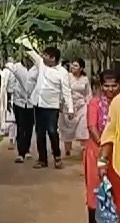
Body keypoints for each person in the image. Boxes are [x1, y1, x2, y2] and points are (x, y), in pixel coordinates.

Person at [21, 39, 73, 169]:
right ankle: (42, 159)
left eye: (46, 56)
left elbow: (66, 91)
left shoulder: (62, 73)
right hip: (38, 104)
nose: (43, 57)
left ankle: (57, 156)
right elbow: (31, 53)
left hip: (52, 106)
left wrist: (70, 109)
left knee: (52, 131)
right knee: (39, 132)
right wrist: (22, 40)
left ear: (53, 58)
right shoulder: (42, 65)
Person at [84, 70, 120, 223]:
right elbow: (92, 127)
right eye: (106, 85)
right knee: (97, 194)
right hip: (97, 153)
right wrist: (105, 144)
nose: (110, 89)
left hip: (117, 153)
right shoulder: (95, 103)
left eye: (114, 85)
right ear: (100, 86)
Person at [7, 56, 38, 163]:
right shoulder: (16, 67)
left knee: (29, 127)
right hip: (18, 101)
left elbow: (38, 84)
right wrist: (9, 97)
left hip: (32, 102)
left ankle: (27, 149)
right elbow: (11, 82)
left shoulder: (36, 69)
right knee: (20, 126)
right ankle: (20, 153)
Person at [60, 58, 92, 156]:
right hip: (68, 106)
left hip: (82, 106)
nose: (72, 67)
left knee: (83, 127)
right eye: (72, 65)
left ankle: (84, 148)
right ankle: (67, 149)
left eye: (76, 65)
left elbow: (88, 94)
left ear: (81, 68)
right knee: (67, 129)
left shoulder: (85, 79)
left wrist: (90, 104)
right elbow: (62, 91)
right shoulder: (67, 77)